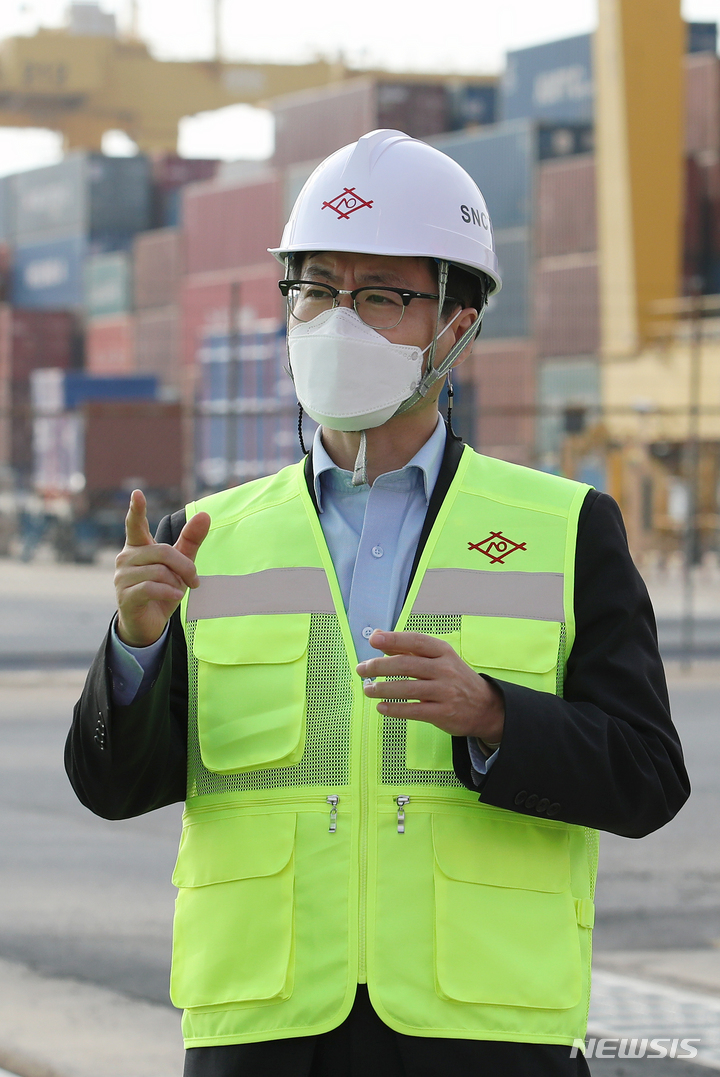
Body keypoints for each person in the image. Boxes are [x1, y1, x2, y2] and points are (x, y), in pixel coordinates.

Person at [66, 129, 690, 1077]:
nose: (336, 322)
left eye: (381, 296)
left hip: (485, 1034)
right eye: (317, 290)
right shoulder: (204, 538)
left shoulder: (567, 528)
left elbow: (648, 778)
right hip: (265, 1035)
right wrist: (134, 647)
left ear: (458, 325)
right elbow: (111, 788)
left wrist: (496, 715)